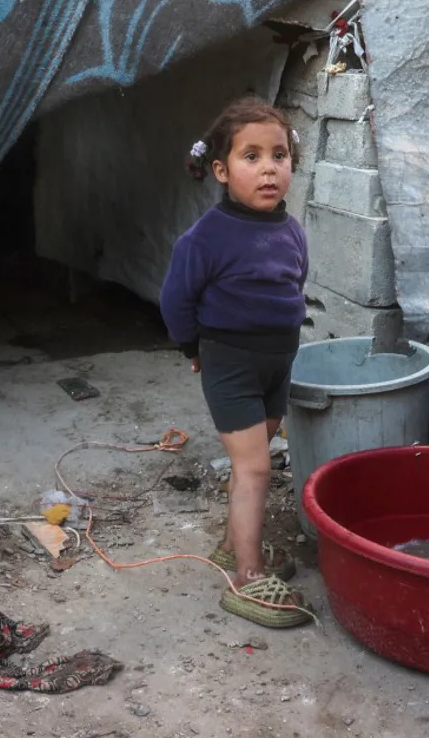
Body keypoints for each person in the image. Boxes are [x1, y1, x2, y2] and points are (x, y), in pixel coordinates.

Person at [159, 96, 312, 628]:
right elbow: (175, 299)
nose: (269, 168)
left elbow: (294, 283)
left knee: (256, 461)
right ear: (221, 170)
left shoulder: (291, 230)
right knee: (255, 467)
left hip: (277, 363)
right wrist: (191, 347)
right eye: (252, 156)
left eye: (279, 155)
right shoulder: (206, 237)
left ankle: (232, 545)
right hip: (231, 363)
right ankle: (246, 578)